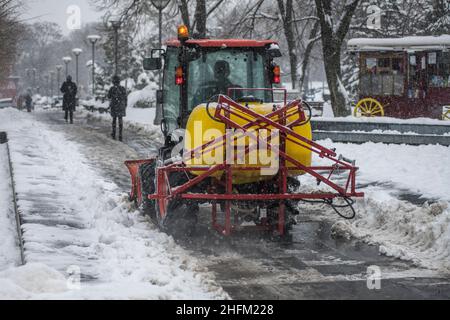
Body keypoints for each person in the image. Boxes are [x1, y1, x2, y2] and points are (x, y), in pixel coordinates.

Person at [107, 75, 127, 141]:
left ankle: (114, 132)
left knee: (114, 120)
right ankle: (120, 134)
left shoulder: (112, 88)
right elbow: (125, 98)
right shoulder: (122, 88)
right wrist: (124, 105)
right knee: (120, 120)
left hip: (114, 106)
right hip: (121, 106)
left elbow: (109, 96)